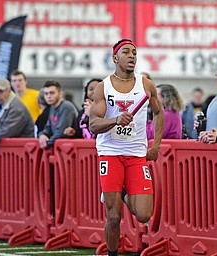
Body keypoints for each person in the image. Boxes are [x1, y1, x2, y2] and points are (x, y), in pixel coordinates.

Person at [89, 39, 164, 256]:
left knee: (143, 215)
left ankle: (123, 193)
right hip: (110, 153)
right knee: (113, 217)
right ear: (115, 58)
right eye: (126, 52)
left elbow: (159, 112)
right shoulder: (104, 87)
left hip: (136, 154)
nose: (132, 56)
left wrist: (156, 145)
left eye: (134, 52)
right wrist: (114, 120)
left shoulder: (146, 85)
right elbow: (94, 124)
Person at [38, 80, 78, 149]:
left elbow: (61, 132)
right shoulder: (52, 107)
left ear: (60, 94)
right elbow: (48, 128)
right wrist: (42, 135)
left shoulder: (66, 107)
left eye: (52, 93)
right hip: (61, 148)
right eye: (46, 94)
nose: (49, 96)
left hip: (69, 149)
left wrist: (47, 143)